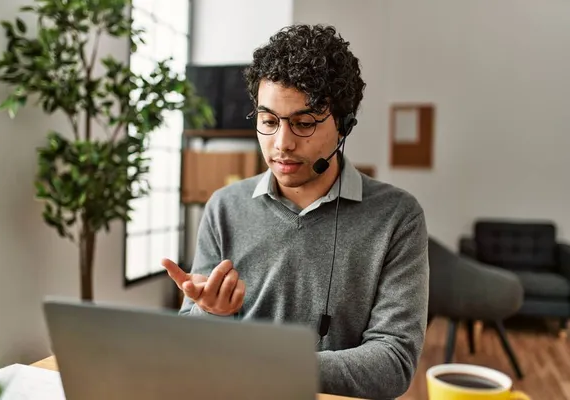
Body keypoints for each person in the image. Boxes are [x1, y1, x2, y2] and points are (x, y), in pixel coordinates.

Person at [162, 24, 429, 400]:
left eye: (303, 123)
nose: (281, 144)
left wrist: (270, 365)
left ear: (344, 126)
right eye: (268, 121)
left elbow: (393, 362)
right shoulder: (224, 207)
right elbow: (194, 345)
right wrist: (211, 315)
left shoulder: (397, 217)